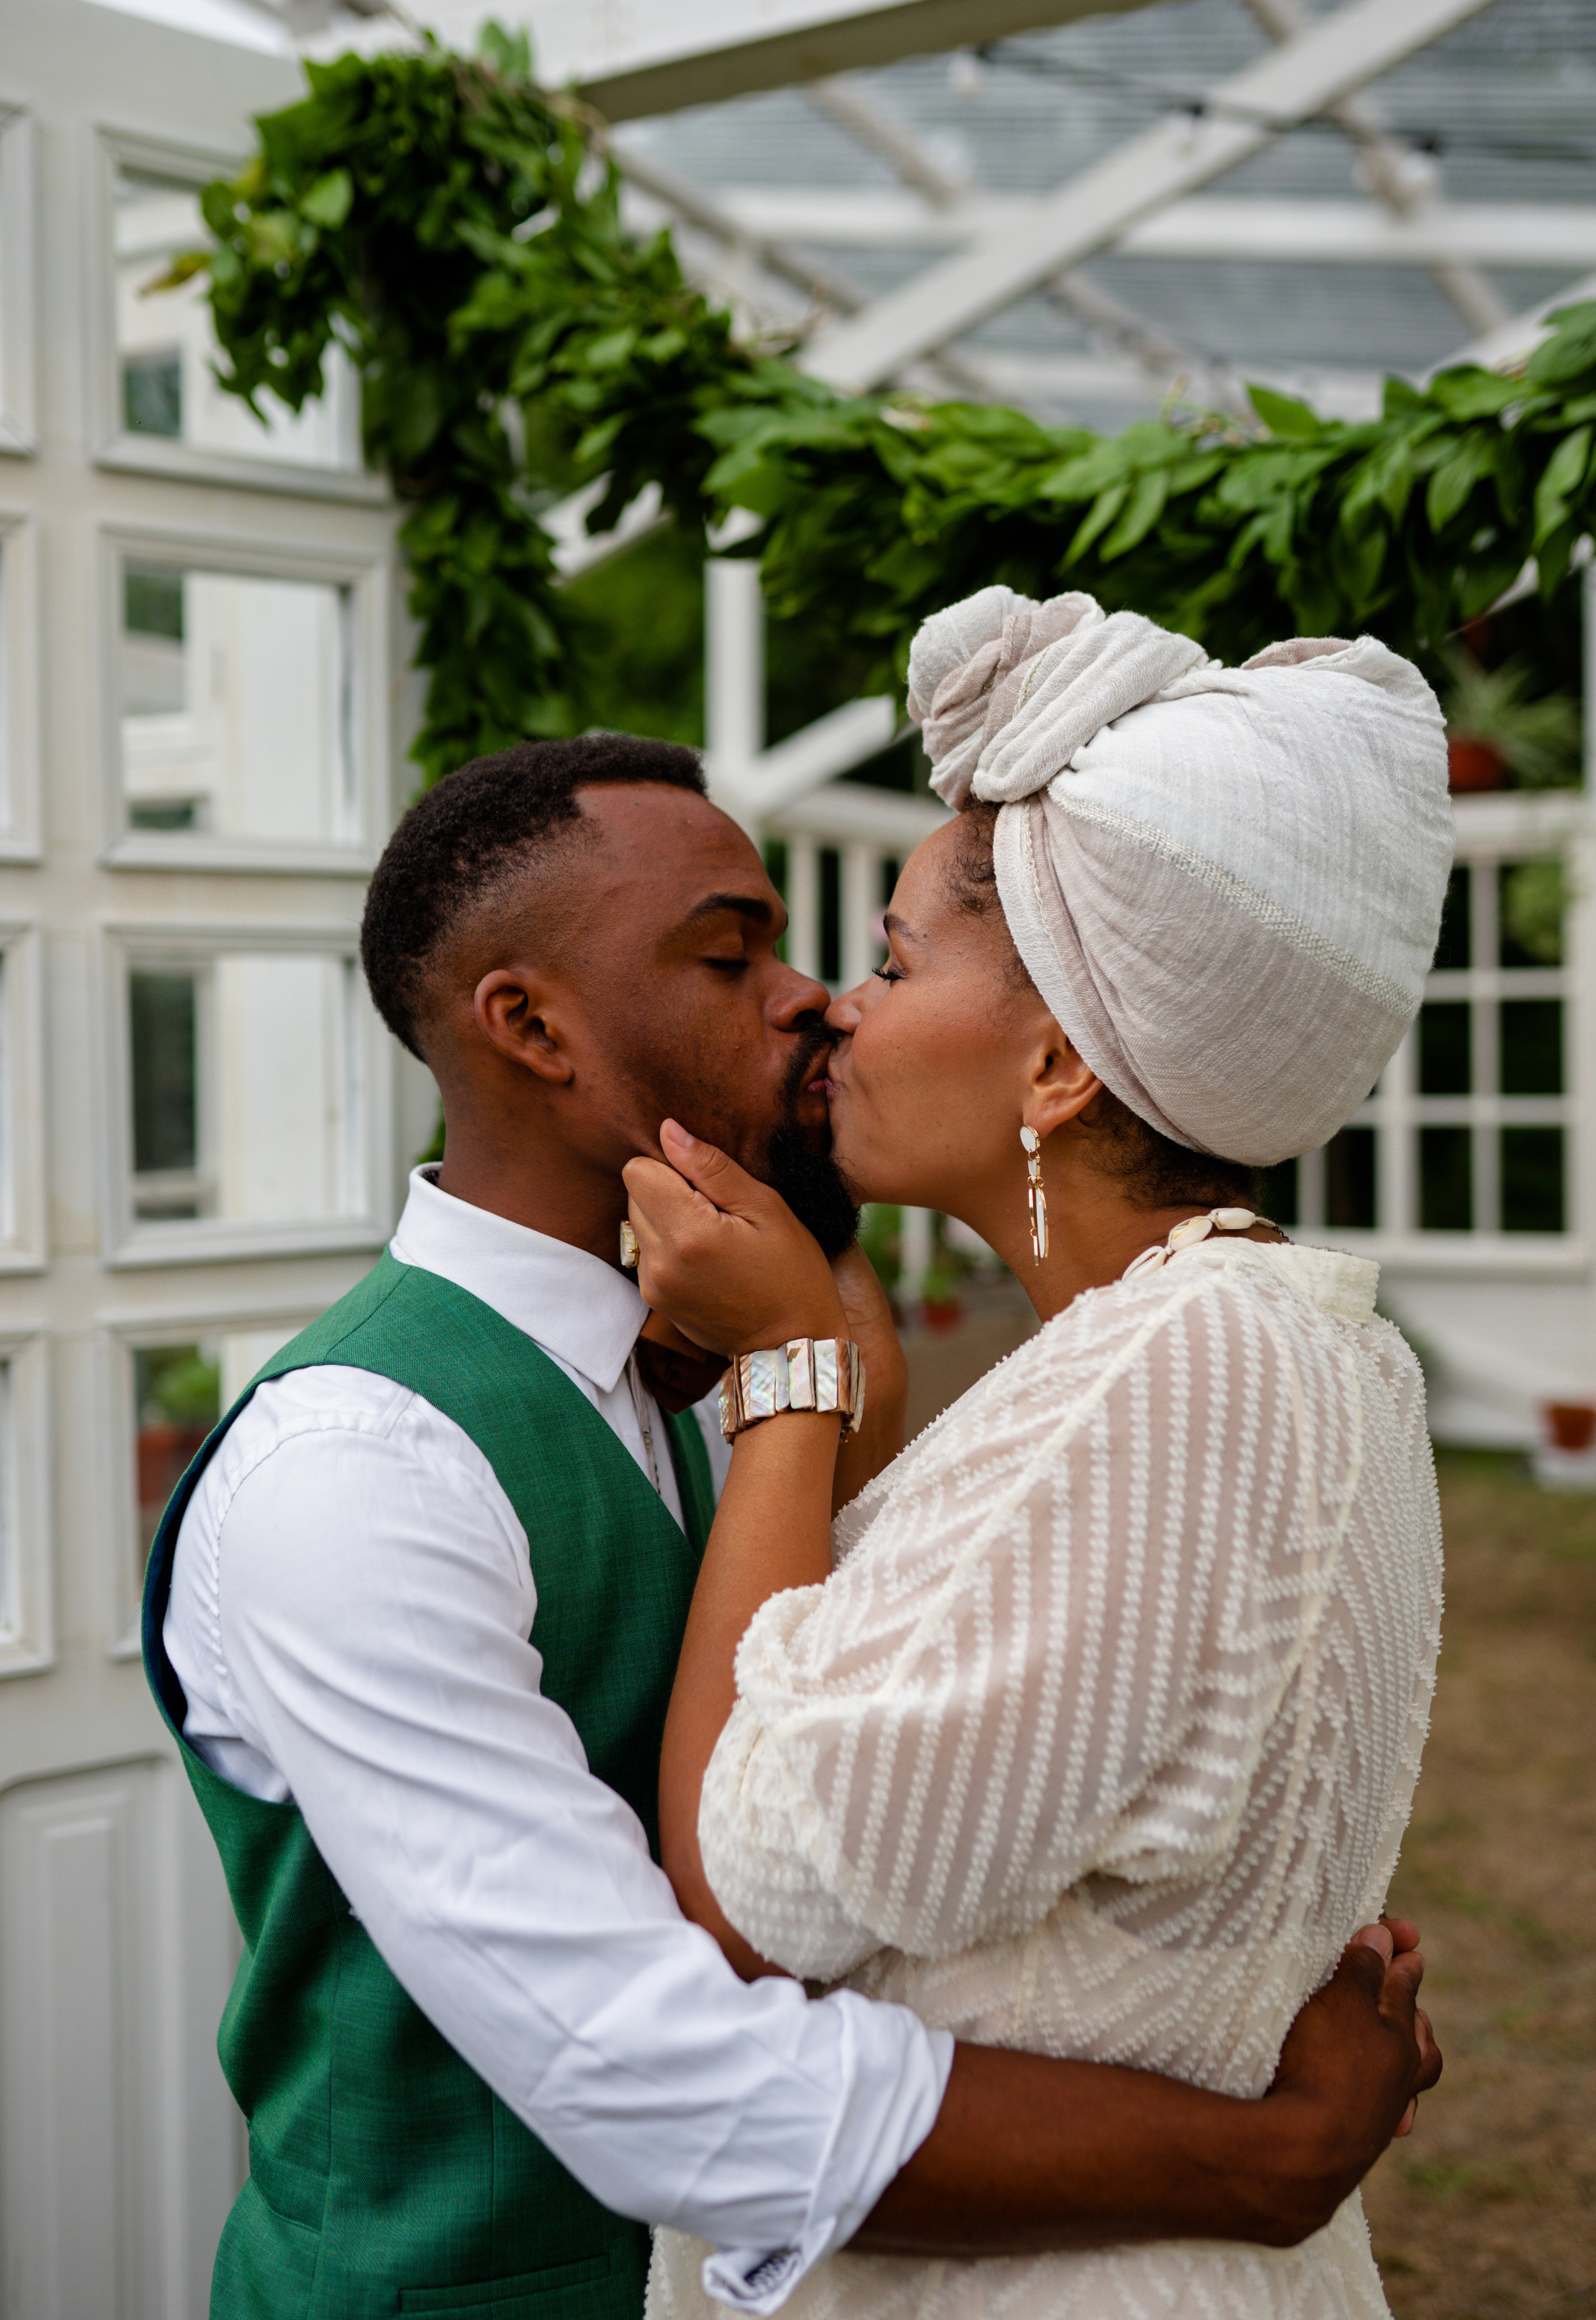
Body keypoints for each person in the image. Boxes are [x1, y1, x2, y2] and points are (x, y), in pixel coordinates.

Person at [141, 726, 1438, 2320]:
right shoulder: (351, 1467)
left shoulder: (729, 1368)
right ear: (531, 1024)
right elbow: (647, 2071)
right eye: (727, 953)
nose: (811, 997)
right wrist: (1255, 2159)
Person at [628, 591, 1454, 2320]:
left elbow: (751, 1894)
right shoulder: (1255, 1347)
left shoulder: (1194, 1369)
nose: (839, 1012)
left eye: (895, 963)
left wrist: (790, 1374)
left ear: (1063, 1062)